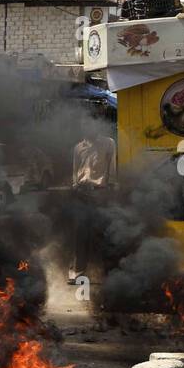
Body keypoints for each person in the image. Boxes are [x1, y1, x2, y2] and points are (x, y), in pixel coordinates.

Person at [68, 117, 116, 283]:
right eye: (84, 124)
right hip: (81, 192)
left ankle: (108, 272)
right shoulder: (78, 147)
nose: (86, 127)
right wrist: (74, 184)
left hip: (100, 192)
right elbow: (75, 169)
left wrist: (110, 186)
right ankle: (77, 272)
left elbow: (112, 166)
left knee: (102, 232)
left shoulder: (108, 143)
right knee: (80, 232)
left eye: (90, 124)